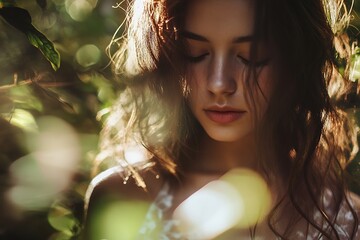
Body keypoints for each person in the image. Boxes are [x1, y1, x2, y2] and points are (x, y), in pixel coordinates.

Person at [83, 0, 360, 239]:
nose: (218, 83)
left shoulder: (349, 223)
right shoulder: (122, 195)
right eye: (196, 53)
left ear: (294, 60)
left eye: (251, 57)